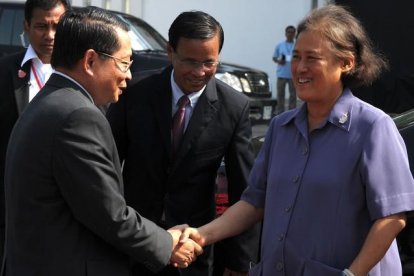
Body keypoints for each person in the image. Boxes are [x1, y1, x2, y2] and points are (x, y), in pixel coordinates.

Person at [181, 5, 414, 276]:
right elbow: (253, 203)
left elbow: (392, 217)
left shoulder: (373, 127)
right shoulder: (281, 127)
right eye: (296, 57)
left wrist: (351, 274)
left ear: (346, 63)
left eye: (312, 58)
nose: (300, 68)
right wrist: (200, 235)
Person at [3, 6, 202, 275]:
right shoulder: (77, 116)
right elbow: (109, 214)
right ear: (90, 61)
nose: (129, 75)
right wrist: (166, 243)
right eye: (124, 63)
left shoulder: (50, 102)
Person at [107, 10, 259, 276]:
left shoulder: (234, 107)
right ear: (170, 51)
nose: (199, 72)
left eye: (209, 63)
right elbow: (108, 167)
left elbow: (244, 189)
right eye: (189, 61)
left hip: (194, 249)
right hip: (134, 242)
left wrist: (238, 260)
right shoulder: (134, 94)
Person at [0, 0, 69, 262]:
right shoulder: (5, 70)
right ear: (27, 26)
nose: (50, 36)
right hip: (12, 204)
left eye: (57, 26)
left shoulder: (85, 72)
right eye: (41, 26)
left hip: (63, 202)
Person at [273, 25, 296, 114]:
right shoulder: (280, 45)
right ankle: (280, 113)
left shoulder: (297, 45)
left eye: (292, 32)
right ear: (285, 33)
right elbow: (274, 57)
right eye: (288, 32)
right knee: (280, 94)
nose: (290, 34)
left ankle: (292, 113)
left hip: (293, 74)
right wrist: (279, 61)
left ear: (295, 34)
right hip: (281, 74)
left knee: (293, 95)